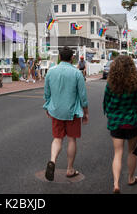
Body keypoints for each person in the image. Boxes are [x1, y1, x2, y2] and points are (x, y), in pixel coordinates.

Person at [103, 55, 137, 194]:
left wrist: (112, 115)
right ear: (131, 69)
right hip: (132, 123)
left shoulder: (110, 85)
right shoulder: (136, 86)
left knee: (117, 153)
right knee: (132, 152)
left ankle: (116, 183)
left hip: (116, 123)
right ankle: (130, 178)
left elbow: (106, 103)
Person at [43, 46, 89, 181]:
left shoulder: (51, 72)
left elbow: (47, 93)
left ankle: (52, 160)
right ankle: (69, 169)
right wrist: (86, 112)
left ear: (59, 57)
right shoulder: (77, 73)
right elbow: (83, 96)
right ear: (72, 58)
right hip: (72, 111)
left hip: (56, 110)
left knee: (57, 138)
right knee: (71, 139)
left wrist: (48, 106)